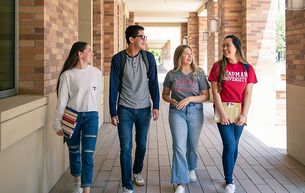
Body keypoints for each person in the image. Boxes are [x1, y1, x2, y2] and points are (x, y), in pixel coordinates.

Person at [109, 25, 160, 193]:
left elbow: (153, 83)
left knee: (142, 145)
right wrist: (113, 111)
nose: (145, 40)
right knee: (125, 149)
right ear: (132, 39)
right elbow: (114, 86)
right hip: (125, 109)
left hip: (144, 109)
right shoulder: (118, 59)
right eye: (142, 37)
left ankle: (137, 171)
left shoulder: (149, 58)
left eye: (145, 37)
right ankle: (126, 185)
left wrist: (156, 106)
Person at [208, 34, 257, 193]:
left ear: (237, 47)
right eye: (223, 46)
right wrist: (221, 113)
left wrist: (244, 114)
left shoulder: (247, 68)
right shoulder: (218, 66)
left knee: (235, 145)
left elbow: (248, 93)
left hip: (239, 112)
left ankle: (229, 172)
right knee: (229, 144)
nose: (224, 48)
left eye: (227, 45)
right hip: (223, 109)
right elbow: (215, 93)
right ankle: (229, 180)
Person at [53, 41, 101, 193]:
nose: (92, 53)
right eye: (89, 50)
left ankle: (86, 189)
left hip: (91, 116)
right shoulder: (67, 75)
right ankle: (77, 182)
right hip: (71, 116)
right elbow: (62, 101)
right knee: (74, 151)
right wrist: (57, 124)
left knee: (88, 154)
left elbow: (96, 96)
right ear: (80, 54)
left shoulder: (96, 73)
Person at [162, 45, 210, 193]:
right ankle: (180, 182)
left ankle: (191, 167)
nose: (189, 56)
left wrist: (190, 99)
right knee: (179, 146)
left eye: (191, 54)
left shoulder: (199, 73)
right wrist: (172, 101)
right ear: (179, 57)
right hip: (177, 113)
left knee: (193, 145)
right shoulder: (171, 74)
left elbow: (206, 96)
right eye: (185, 54)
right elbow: (165, 95)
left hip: (195, 112)